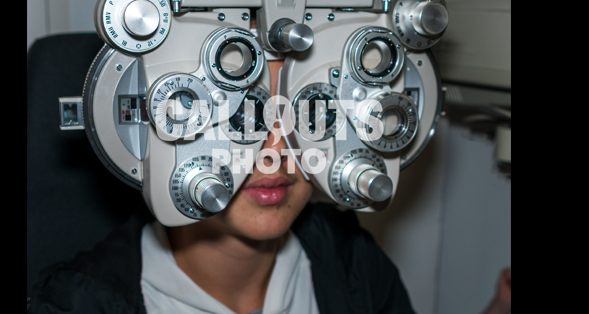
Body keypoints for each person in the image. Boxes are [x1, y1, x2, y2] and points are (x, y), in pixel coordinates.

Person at [27, 48, 418, 313]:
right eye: (242, 114)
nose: (276, 148)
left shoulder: (354, 264)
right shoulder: (78, 304)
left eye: (309, 110)